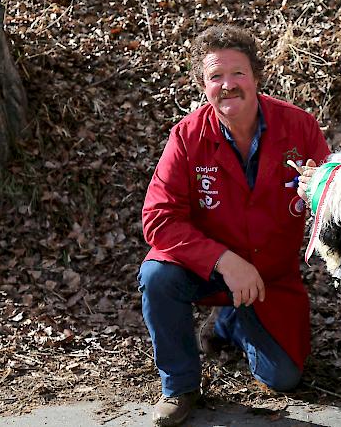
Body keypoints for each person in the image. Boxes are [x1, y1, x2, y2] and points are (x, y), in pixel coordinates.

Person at [138, 24, 330, 426]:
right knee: (156, 274)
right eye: (215, 77)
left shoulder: (300, 128)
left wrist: (321, 188)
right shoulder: (187, 136)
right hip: (209, 270)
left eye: (238, 73)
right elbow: (159, 218)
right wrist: (223, 260)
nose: (228, 85)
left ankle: (231, 322)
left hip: (271, 279)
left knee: (284, 378)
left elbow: (334, 200)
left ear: (257, 78)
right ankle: (180, 386)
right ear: (203, 86)